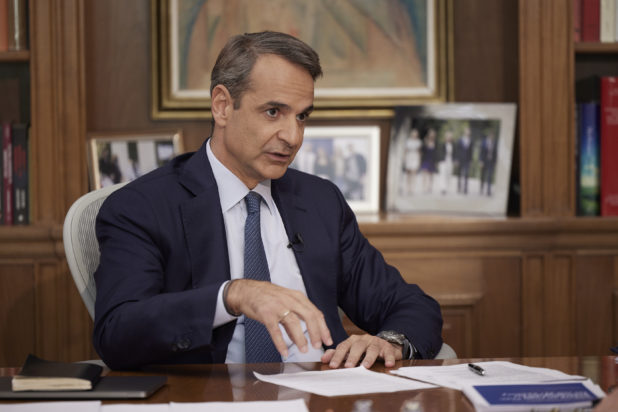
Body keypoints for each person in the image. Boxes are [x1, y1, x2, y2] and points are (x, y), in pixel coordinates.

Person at [93, 31, 443, 370]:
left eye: (302, 116)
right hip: (211, 396)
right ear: (222, 106)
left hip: (323, 393)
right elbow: (117, 331)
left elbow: (411, 305)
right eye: (273, 112)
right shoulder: (142, 207)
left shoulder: (320, 201)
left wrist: (390, 341)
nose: (292, 137)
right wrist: (232, 296)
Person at [455, 126, 473, 195]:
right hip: (460, 159)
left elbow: (471, 151)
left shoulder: (471, 140)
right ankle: (459, 187)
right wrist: (457, 159)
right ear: (464, 132)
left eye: (469, 131)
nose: (468, 132)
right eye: (467, 131)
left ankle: (465, 188)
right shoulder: (460, 140)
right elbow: (457, 150)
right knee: (459, 174)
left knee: (466, 174)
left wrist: (471, 160)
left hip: (467, 160)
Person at [479, 131, 497, 196]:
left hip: (491, 162)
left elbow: (495, 153)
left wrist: (495, 162)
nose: (492, 137)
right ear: (489, 136)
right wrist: (480, 161)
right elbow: (481, 152)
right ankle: (481, 188)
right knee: (483, 176)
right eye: (491, 136)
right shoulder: (484, 142)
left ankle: (488, 191)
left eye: (493, 136)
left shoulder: (494, 143)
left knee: (489, 176)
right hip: (484, 161)